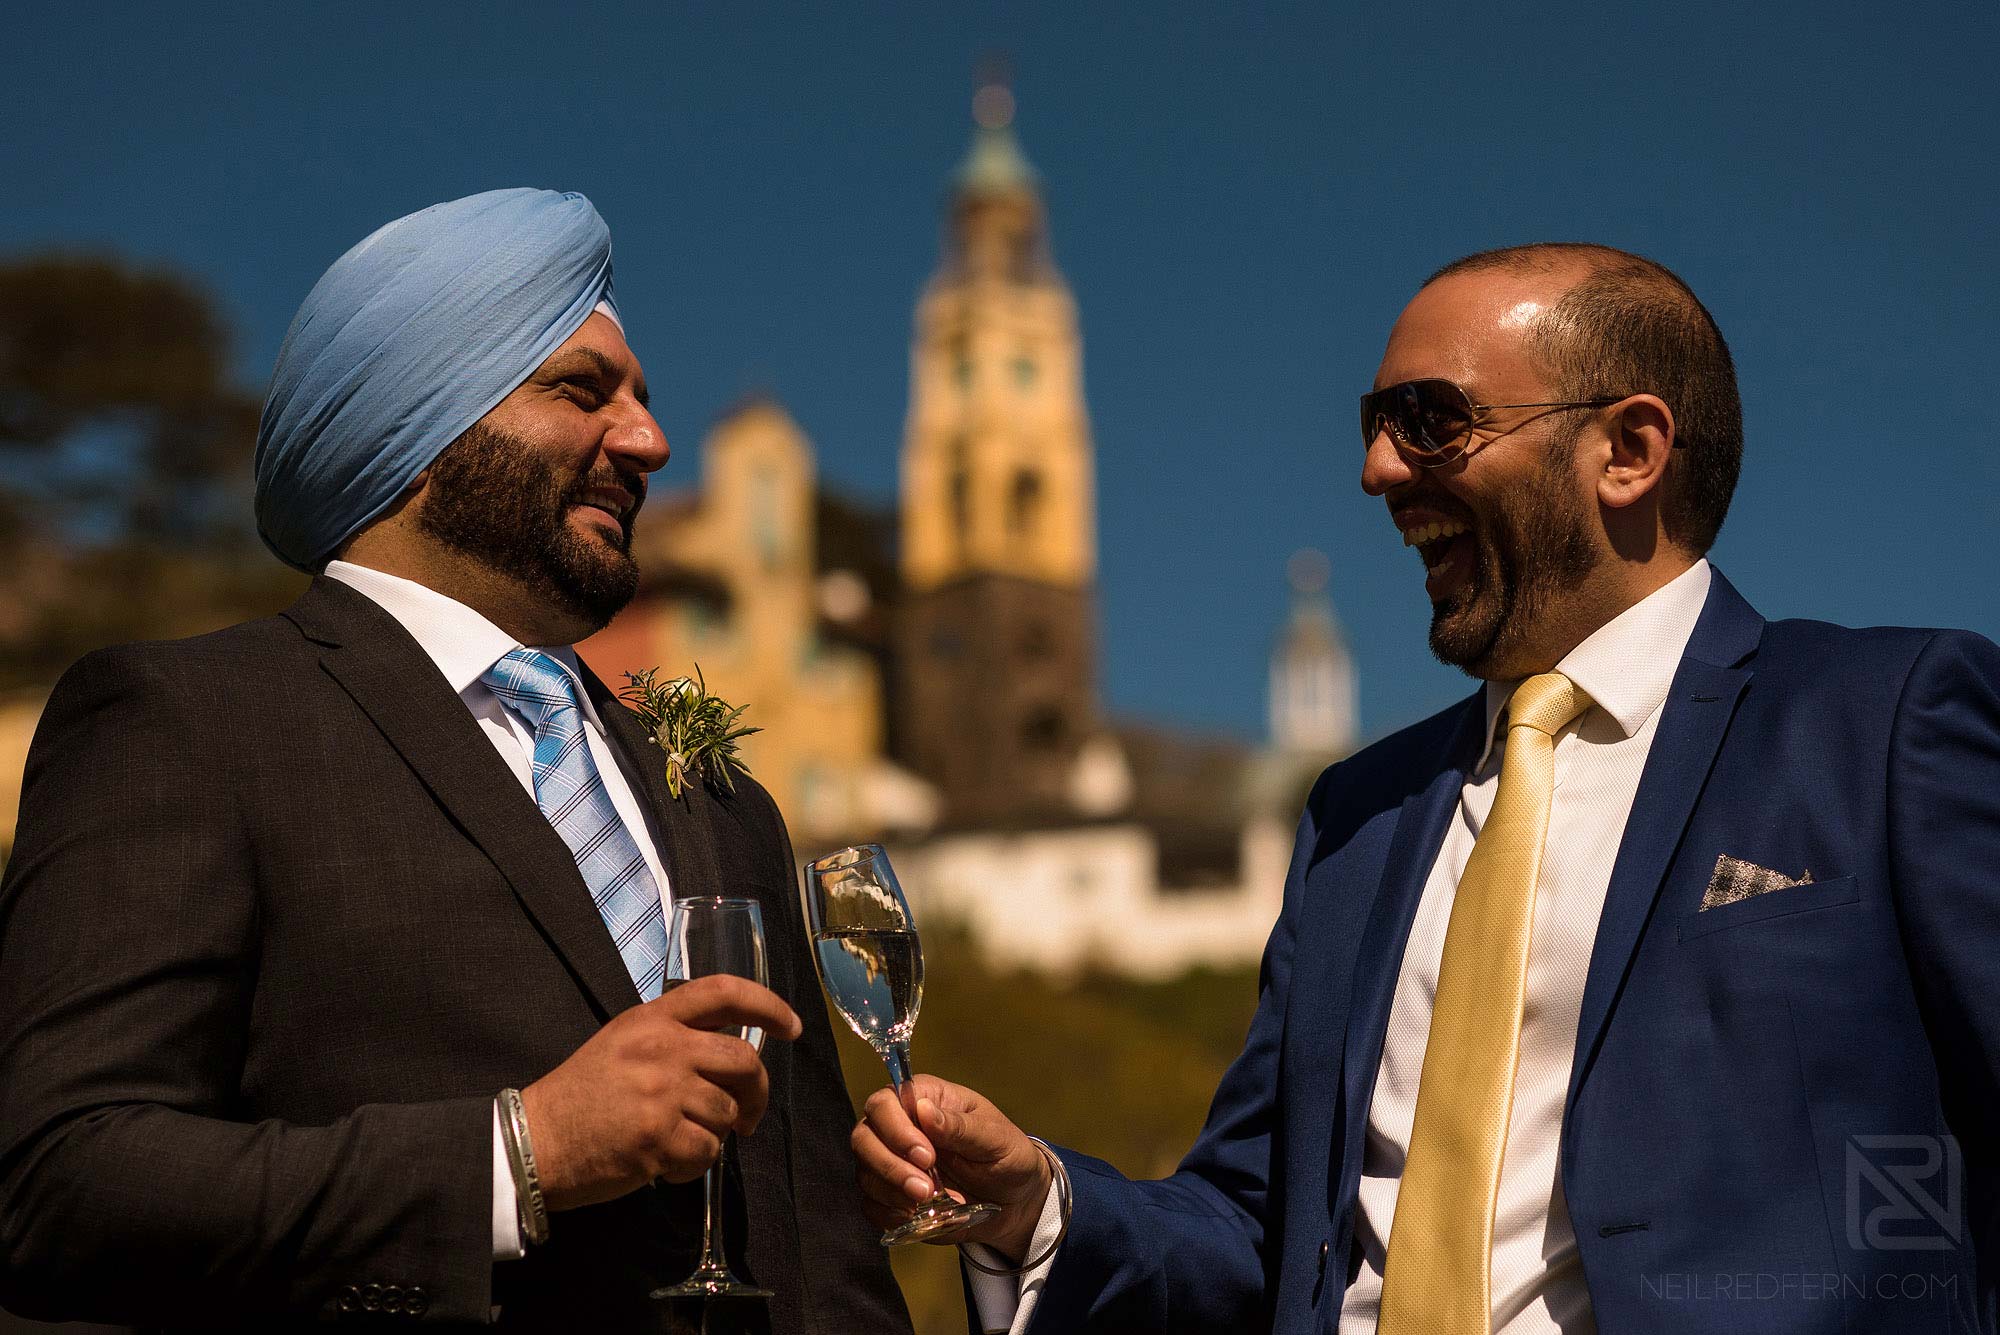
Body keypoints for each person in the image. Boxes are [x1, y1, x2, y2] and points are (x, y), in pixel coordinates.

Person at [853, 243, 2000, 1334]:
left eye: (1430, 421)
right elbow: (1261, 1225)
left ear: (1628, 450)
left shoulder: (1882, 721)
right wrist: (1042, 1205)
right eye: (1373, 424)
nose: (1376, 470)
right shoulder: (1358, 817)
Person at [0, 188, 910, 1334]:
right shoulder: (190, 721)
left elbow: (819, 1239)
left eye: (640, 399)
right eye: (583, 391)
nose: (649, 440)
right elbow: (56, 1183)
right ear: (419, 425)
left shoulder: (727, 805)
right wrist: (515, 1153)